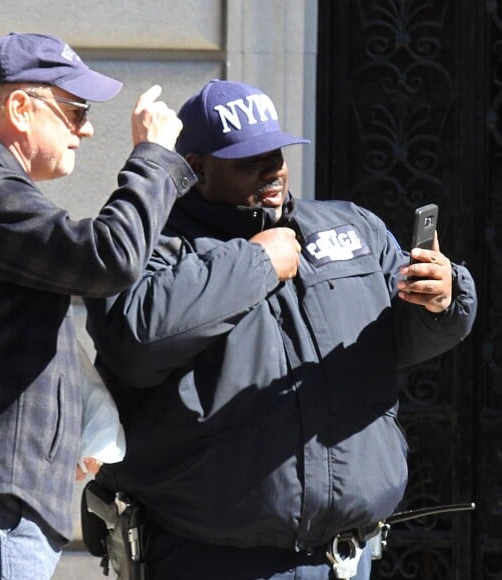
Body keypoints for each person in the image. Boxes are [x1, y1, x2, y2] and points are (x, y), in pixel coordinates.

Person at [84, 80, 477, 580]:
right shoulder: (153, 246)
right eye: (249, 160)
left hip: (348, 558)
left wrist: (443, 298)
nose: (273, 169)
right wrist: (257, 262)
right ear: (197, 168)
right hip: (214, 559)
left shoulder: (350, 227)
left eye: (277, 152)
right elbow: (132, 338)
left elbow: (401, 340)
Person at [0, 32, 196, 579]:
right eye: (75, 109)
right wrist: (154, 158)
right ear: (21, 108)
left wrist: (79, 426)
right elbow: (109, 257)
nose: (87, 129)